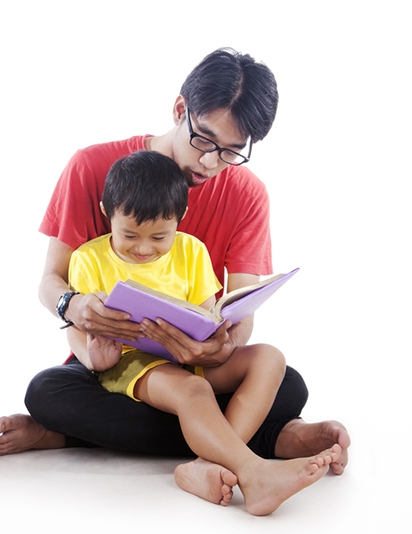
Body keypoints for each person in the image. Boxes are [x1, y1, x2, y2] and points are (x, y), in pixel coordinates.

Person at [0, 48, 350, 504]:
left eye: (232, 152)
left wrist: (223, 344)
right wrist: (73, 306)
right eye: (205, 139)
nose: (210, 163)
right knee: (47, 390)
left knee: (285, 381)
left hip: (196, 365)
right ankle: (266, 441)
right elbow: (50, 282)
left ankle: (203, 461)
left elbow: (241, 310)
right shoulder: (93, 167)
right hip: (117, 364)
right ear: (181, 110)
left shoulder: (248, 194)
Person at [65, 149, 339, 514]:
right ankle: (252, 471)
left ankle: (208, 465)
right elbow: (76, 328)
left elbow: (209, 313)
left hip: (188, 355)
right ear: (106, 213)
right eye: (129, 235)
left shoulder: (192, 251)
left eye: (160, 237)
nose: (144, 248)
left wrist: (217, 342)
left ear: (182, 218)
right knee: (192, 389)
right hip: (130, 362)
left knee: (271, 359)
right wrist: (92, 359)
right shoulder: (88, 258)